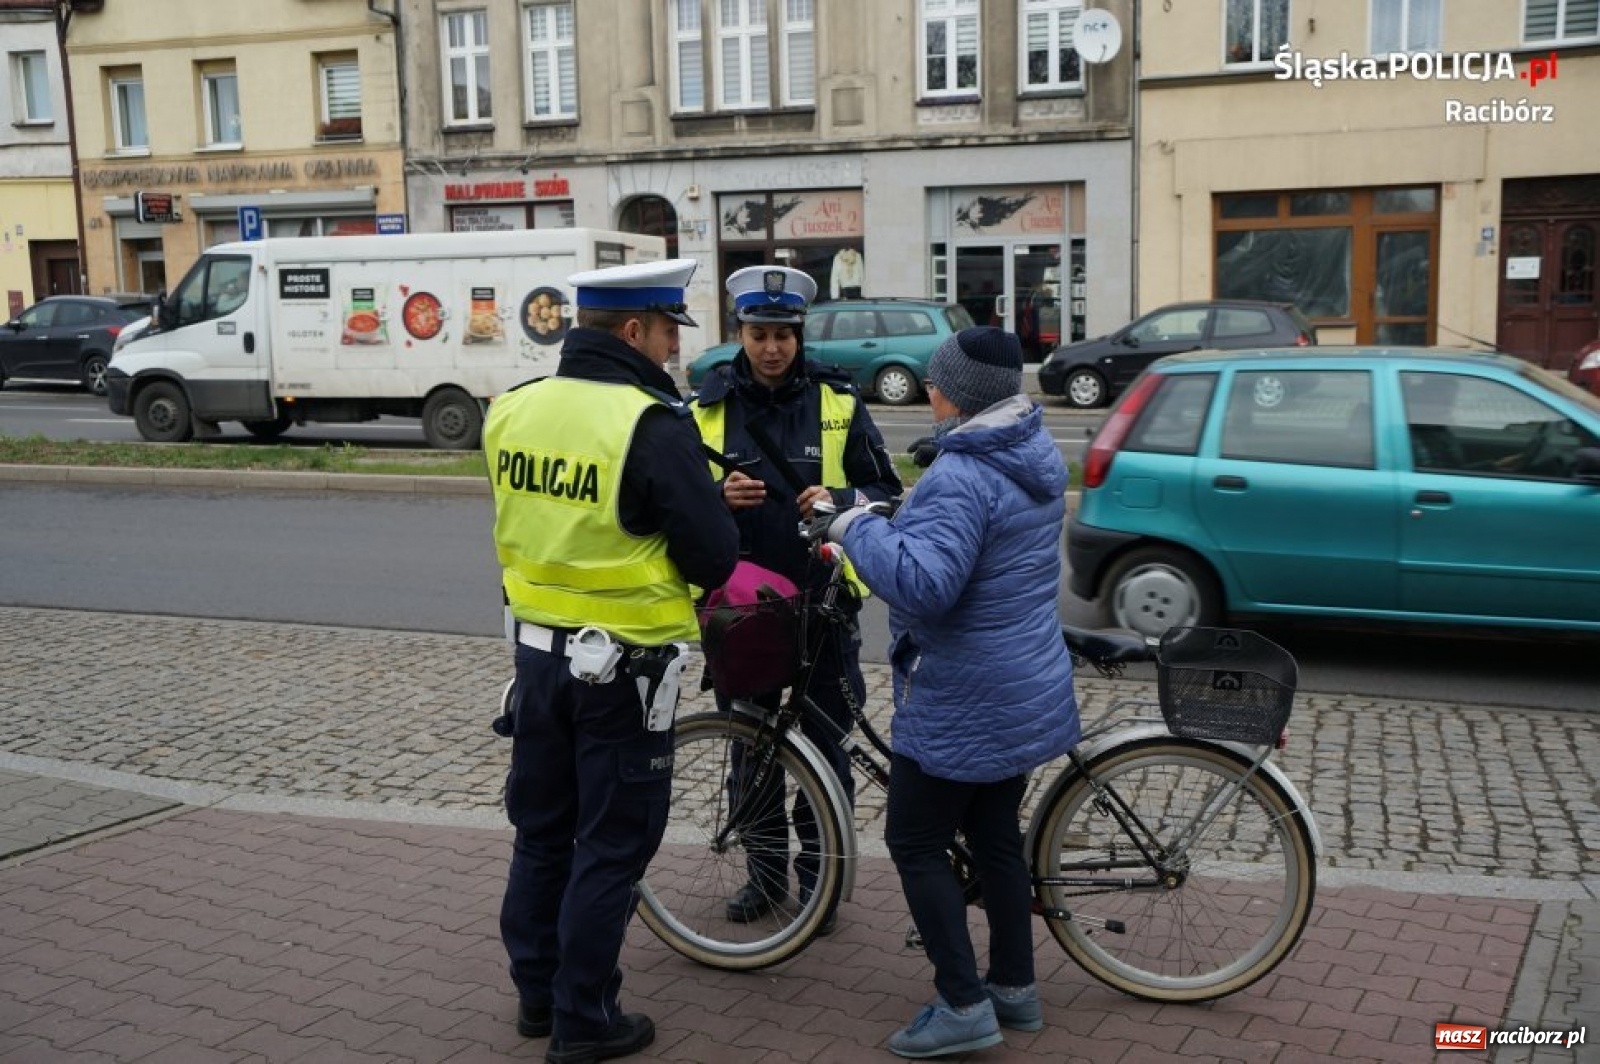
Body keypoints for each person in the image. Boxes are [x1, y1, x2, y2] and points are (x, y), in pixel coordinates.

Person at [484, 258, 739, 1064]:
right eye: (669, 332)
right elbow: (713, 557)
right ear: (634, 331)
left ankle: (536, 995)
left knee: (542, 830)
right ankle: (585, 1021)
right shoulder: (649, 424)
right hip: (622, 673)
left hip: (535, 660)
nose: (672, 350)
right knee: (611, 844)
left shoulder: (514, 409)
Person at [813, 326, 1081, 1058]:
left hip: (965, 693)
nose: (930, 390)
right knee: (995, 839)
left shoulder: (962, 474)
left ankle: (963, 1002)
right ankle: (1015, 991)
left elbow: (926, 585)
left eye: (936, 380)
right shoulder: (1032, 454)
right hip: (1022, 680)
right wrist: (889, 521)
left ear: (948, 392)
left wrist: (849, 526)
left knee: (915, 840)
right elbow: (969, 551)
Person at [690, 264, 902, 934]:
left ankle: (821, 881)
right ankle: (762, 876)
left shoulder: (839, 400)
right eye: (759, 333)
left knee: (825, 748)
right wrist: (715, 499)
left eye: (783, 333)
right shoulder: (708, 405)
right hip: (741, 610)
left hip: (824, 603)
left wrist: (841, 501)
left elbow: (886, 492)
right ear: (740, 334)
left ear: (799, 333)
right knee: (750, 746)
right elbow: (676, 504)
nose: (773, 347)